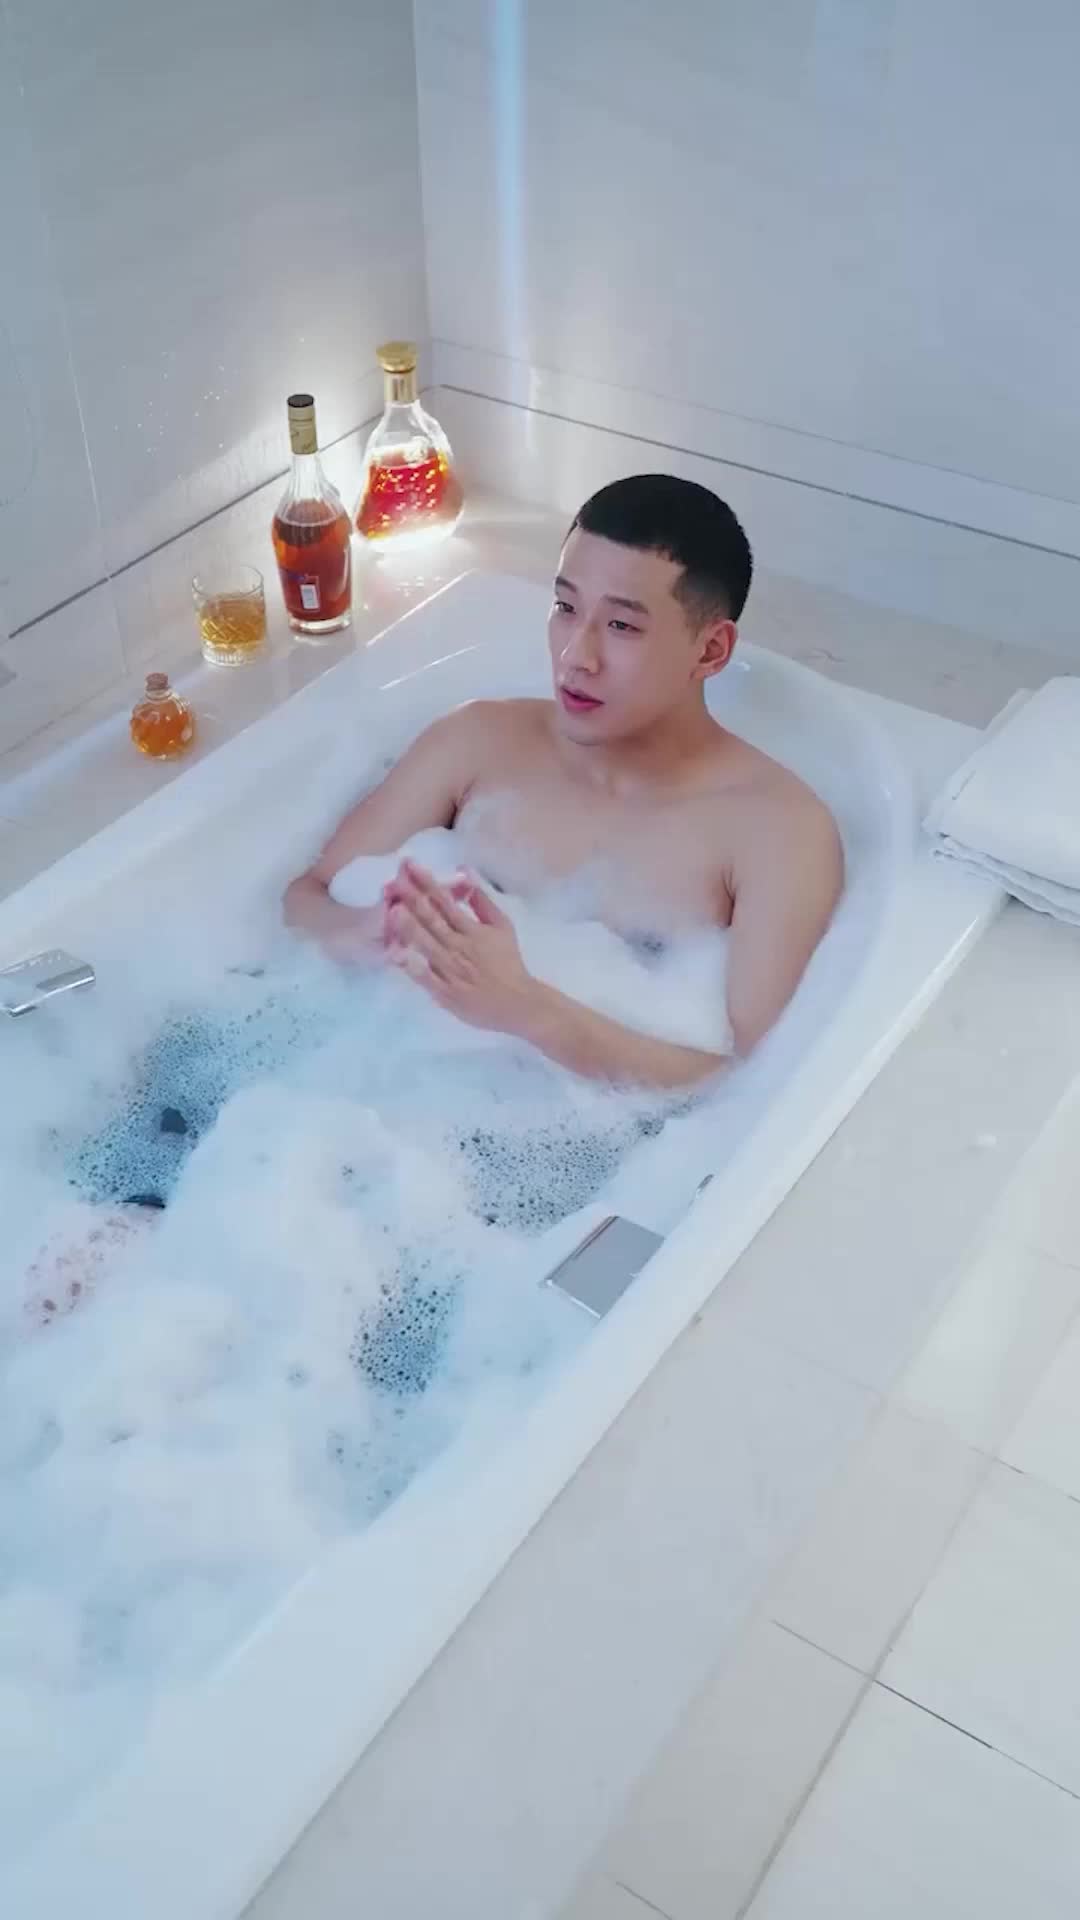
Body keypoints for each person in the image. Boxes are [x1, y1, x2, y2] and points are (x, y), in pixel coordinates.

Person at [284, 474, 843, 1090]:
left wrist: (525, 1010)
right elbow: (307, 896)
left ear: (710, 651)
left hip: (574, 1131)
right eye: (566, 608)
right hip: (351, 1080)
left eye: (622, 626)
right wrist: (367, 935)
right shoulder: (478, 741)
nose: (577, 655)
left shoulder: (776, 831)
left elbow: (754, 1083)